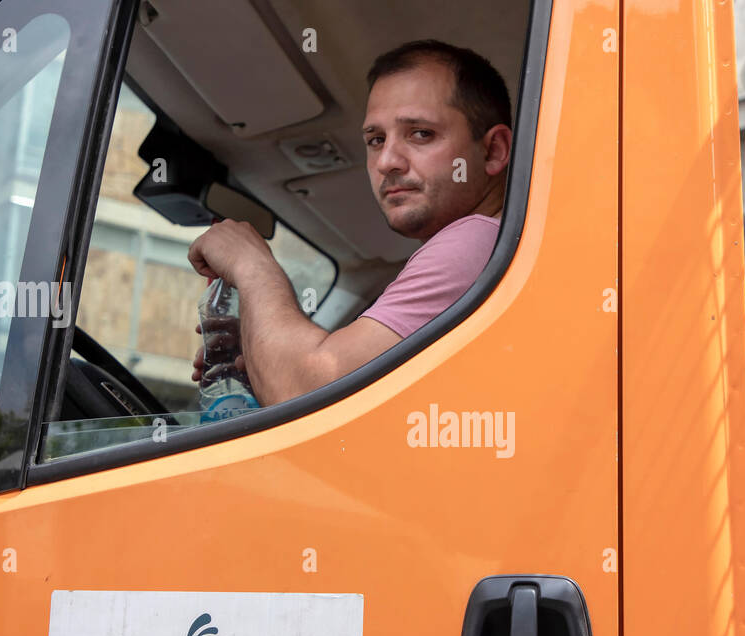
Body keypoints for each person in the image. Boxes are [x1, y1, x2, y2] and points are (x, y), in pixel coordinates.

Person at [188, 39, 513, 406]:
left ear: (493, 150)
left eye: (421, 133)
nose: (387, 160)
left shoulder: (475, 242)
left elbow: (305, 396)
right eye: (376, 139)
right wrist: (265, 360)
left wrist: (250, 264)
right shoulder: (489, 255)